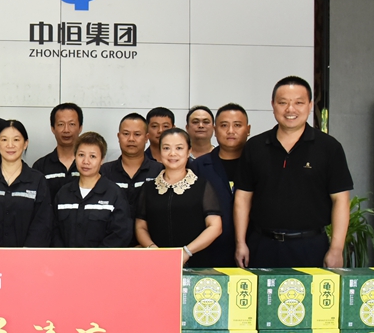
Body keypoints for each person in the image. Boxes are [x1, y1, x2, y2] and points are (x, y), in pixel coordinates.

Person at [234, 76, 353, 268]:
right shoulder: (254, 146)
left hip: (311, 247)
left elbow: (340, 200)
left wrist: (337, 249)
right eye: (283, 103)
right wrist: (241, 242)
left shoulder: (329, 147)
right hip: (262, 245)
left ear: (310, 105)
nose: (290, 109)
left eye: (299, 103)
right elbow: (243, 198)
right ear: (273, 105)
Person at [135, 129, 223, 267]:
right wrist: (152, 249)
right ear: (160, 152)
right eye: (166, 148)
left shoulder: (202, 186)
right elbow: (141, 227)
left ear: (189, 152)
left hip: (195, 262)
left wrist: (187, 252)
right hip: (156, 262)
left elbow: (215, 226)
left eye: (179, 148)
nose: (172, 153)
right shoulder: (148, 188)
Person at [0, 120, 53, 247]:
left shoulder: (38, 181)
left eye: (16, 140)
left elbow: (42, 223)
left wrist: (26, 254)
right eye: (4, 140)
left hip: (27, 257)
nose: (10, 145)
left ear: (25, 144)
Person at [191, 103, 251, 267]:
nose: (230, 131)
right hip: (210, 252)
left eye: (237, 125)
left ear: (248, 129)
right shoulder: (198, 167)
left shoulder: (257, 163)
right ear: (215, 129)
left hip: (253, 248)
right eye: (224, 125)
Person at [52, 132, 132, 248]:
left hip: (103, 259)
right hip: (66, 258)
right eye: (81, 155)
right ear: (75, 156)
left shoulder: (114, 194)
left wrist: (95, 257)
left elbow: (121, 233)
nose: (86, 161)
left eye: (92, 156)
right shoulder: (63, 193)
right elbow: (54, 230)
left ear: (102, 160)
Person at [101, 113, 162, 244]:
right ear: (118, 137)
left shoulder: (160, 171)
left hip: (152, 246)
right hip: (112, 247)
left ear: (146, 138)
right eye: (126, 134)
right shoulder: (104, 172)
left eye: (137, 134)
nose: (131, 139)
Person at [32, 103, 83, 200]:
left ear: (80, 128)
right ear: (53, 128)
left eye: (72, 124)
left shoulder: (89, 164)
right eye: (61, 124)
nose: (66, 130)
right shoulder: (40, 166)